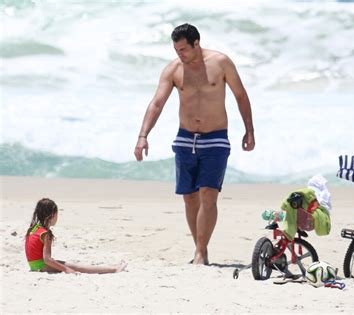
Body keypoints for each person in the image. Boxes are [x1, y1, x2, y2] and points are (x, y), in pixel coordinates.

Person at [134, 23, 255, 265]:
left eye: (183, 49)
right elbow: (157, 103)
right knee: (189, 197)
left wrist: (249, 130)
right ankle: (201, 248)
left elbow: (240, 95)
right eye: (176, 50)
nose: (180, 54)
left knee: (209, 194)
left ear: (196, 43)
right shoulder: (173, 69)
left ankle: (200, 253)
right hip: (185, 137)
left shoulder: (221, 63)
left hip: (216, 138)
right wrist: (143, 135)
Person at [25, 198, 127, 274]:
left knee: (69, 264)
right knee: (77, 267)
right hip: (42, 266)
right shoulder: (45, 234)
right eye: (57, 214)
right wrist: (66, 269)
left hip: (33, 266)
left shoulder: (33, 229)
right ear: (51, 215)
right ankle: (114, 269)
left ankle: (113, 267)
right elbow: (47, 259)